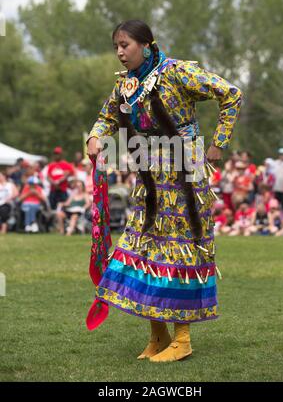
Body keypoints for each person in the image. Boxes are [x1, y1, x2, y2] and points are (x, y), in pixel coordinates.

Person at [86, 19, 242, 363]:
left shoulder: (177, 72)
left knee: (179, 251)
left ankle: (182, 338)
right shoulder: (127, 85)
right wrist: (96, 136)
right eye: (116, 47)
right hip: (149, 177)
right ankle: (158, 335)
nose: (120, 53)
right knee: (143, 250)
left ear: (145, 44)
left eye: (125, 45)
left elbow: (230, 94)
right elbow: (107, 115)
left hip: (184, 176)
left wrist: (219, 142)